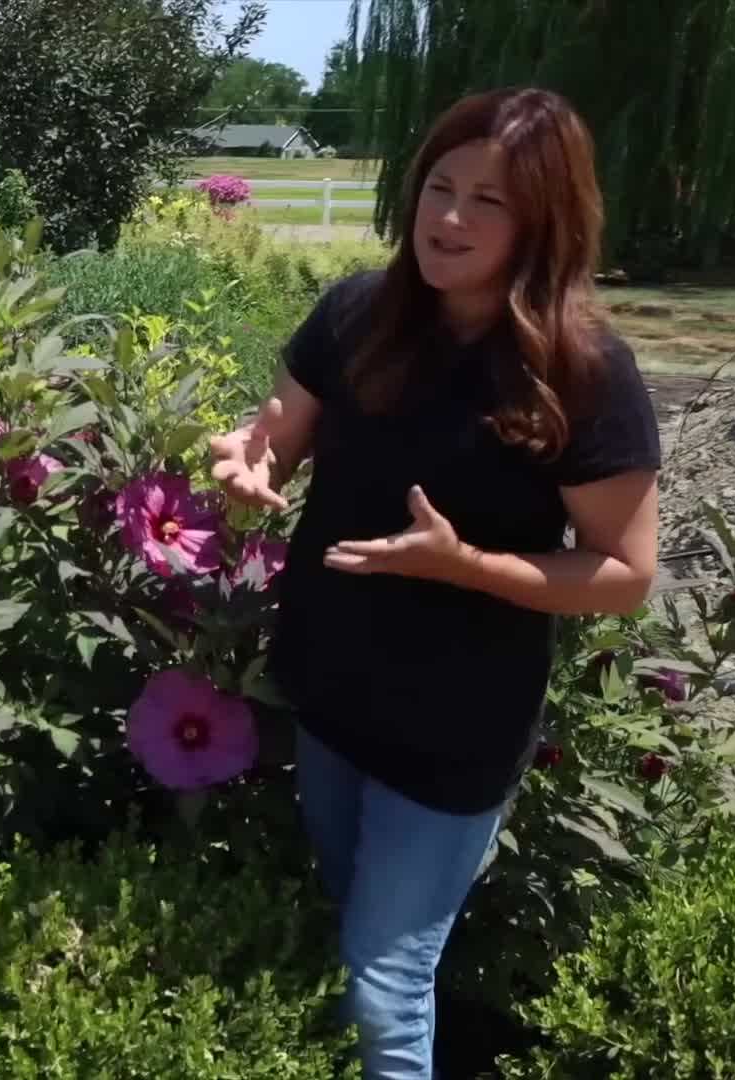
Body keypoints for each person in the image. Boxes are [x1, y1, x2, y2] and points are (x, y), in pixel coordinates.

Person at [208, 87, 660, 1079]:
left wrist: (467, 568)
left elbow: (624, 575)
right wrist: (249, 463)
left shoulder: (582, 372)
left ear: (544, 222)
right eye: (439, 187)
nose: (449, 218)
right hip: (330, 691)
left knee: (384, 990)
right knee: (351, 929)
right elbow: (276, 438)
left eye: (488, 202)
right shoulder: (357, 314)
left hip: (456, 731)